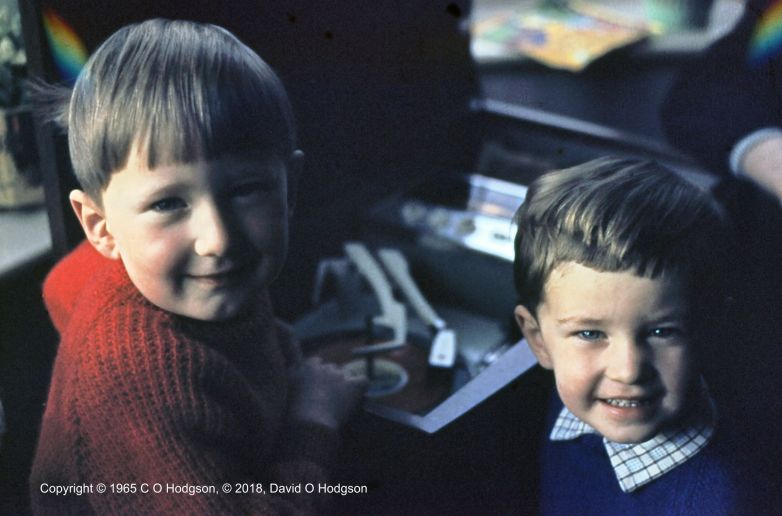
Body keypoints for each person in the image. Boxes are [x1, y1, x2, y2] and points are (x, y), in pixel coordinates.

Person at [29, 19, 366, 514]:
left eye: (246, 190)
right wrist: (313, 423)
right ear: (100, 227)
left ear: (289, 185)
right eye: (168, 204)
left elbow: (62, 283)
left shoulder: (181, 279)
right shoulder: (139, 382)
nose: (218, 240)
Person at [511, 157, 772, 514]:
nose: (628, 370)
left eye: (661, 332)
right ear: (538, 340)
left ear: (710, 330)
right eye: (590, 333)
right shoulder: (578, 404)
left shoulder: (717, 502)